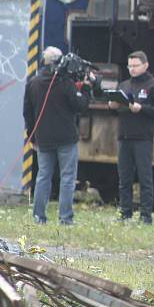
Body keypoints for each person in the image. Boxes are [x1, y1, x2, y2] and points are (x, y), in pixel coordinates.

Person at [24, 46, 93, 225]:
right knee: (68, 178)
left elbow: (28, 113)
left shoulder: (33, 83)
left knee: (43, 176)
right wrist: (86, 89)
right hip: (66, 139)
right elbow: (80, 106)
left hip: (43, 139)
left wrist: (32, 137)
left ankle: (38, 217)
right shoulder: (65, 83)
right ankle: (65, 218)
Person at [107, 51, 154, 224]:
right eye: (130, 66)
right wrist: (112, 106)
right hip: (124, 136)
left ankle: (146, 215)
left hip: (143, 138)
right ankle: (125, 213)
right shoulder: (124, 85)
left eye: (135, 65)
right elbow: (115, 113)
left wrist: (142, 109)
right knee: (124, 178)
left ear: (145, 65)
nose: (132, 69)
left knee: (145, 178)